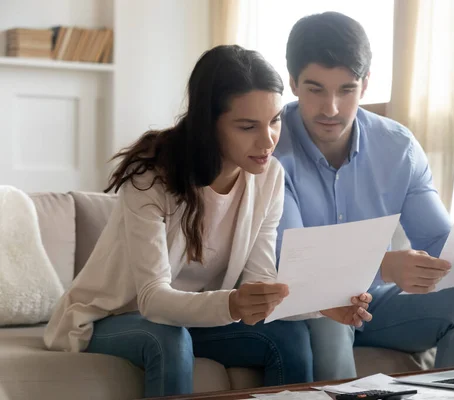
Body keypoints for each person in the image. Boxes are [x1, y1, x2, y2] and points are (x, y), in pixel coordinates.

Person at [43, 45, 372, 398]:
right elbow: (152, 300)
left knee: (289, 338)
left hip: (194, 318)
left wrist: (322, 303)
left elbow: (260, 281)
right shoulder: (152, 178)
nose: (268, 141)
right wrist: (232, 304)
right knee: (167, 339)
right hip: (115, 318)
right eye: (247, 126)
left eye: (274, 120)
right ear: (208, 123)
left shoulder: (268, 178)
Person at [273, 12, 454, 381]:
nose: (331, 108)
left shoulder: (397, 147)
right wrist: (385, 265)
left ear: (366, 84)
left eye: (346, 89)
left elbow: (437, 244)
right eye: (315, 89)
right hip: (311, 309)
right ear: (292, 82)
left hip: (379, 305)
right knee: (327, 311)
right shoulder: (271, 149)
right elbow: (292, 265)